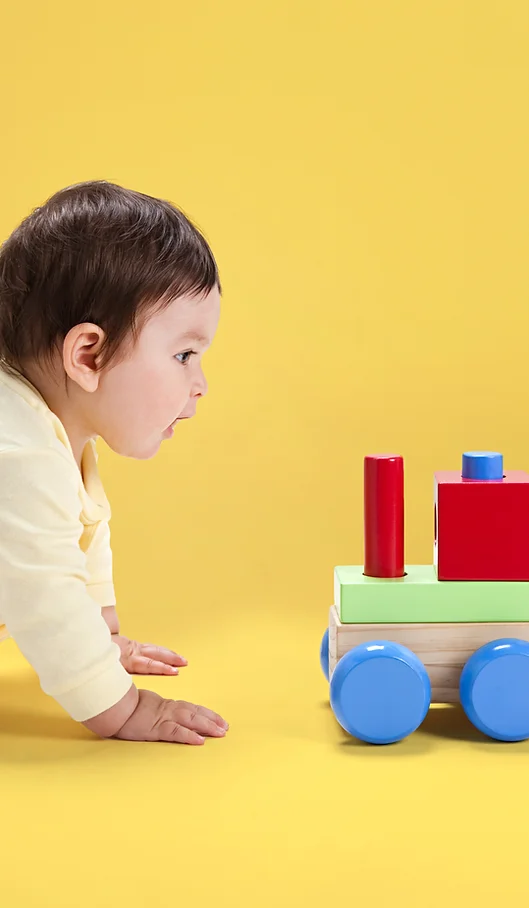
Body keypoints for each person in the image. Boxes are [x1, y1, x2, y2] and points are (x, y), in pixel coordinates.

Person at [0, 181, 229, 745]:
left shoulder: (56, 433)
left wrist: (103, 637)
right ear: (88, 355)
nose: (199, 385)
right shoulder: (17, 447)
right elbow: (44, 594)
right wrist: (121, 708)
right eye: (183, 355)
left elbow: (82, 528)